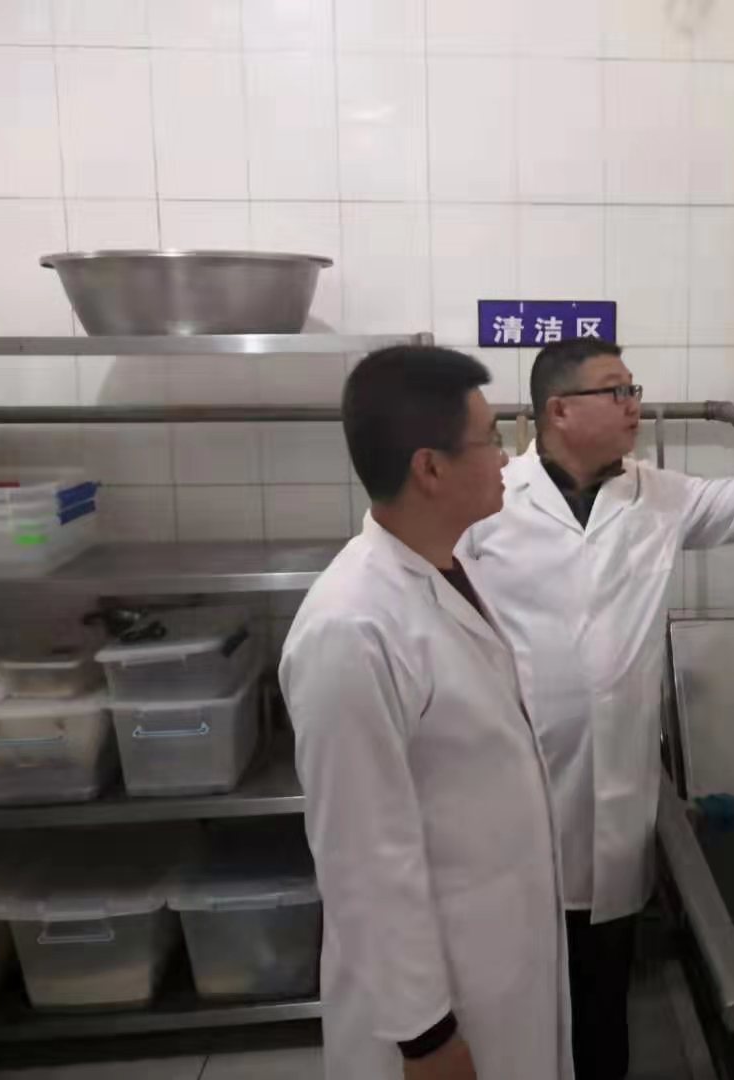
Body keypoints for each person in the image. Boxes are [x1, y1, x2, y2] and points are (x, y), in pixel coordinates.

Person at [464, 338, 734, 1080]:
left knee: (603, 994)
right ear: (559, 411)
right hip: (516, 792)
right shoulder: (492, 501)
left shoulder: (654, 495)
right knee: (518, 1003)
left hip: (615, 793)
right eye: (615, 391)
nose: (635, 404)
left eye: (633, 388)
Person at [281, 345, 571, 1080]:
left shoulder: (449, 570)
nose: (508, 457)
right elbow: (362, 855)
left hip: (496, 955)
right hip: (435, 1003)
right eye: (491, 438)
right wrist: (426, 1038)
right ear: (430, 468)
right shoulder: (351, 628)